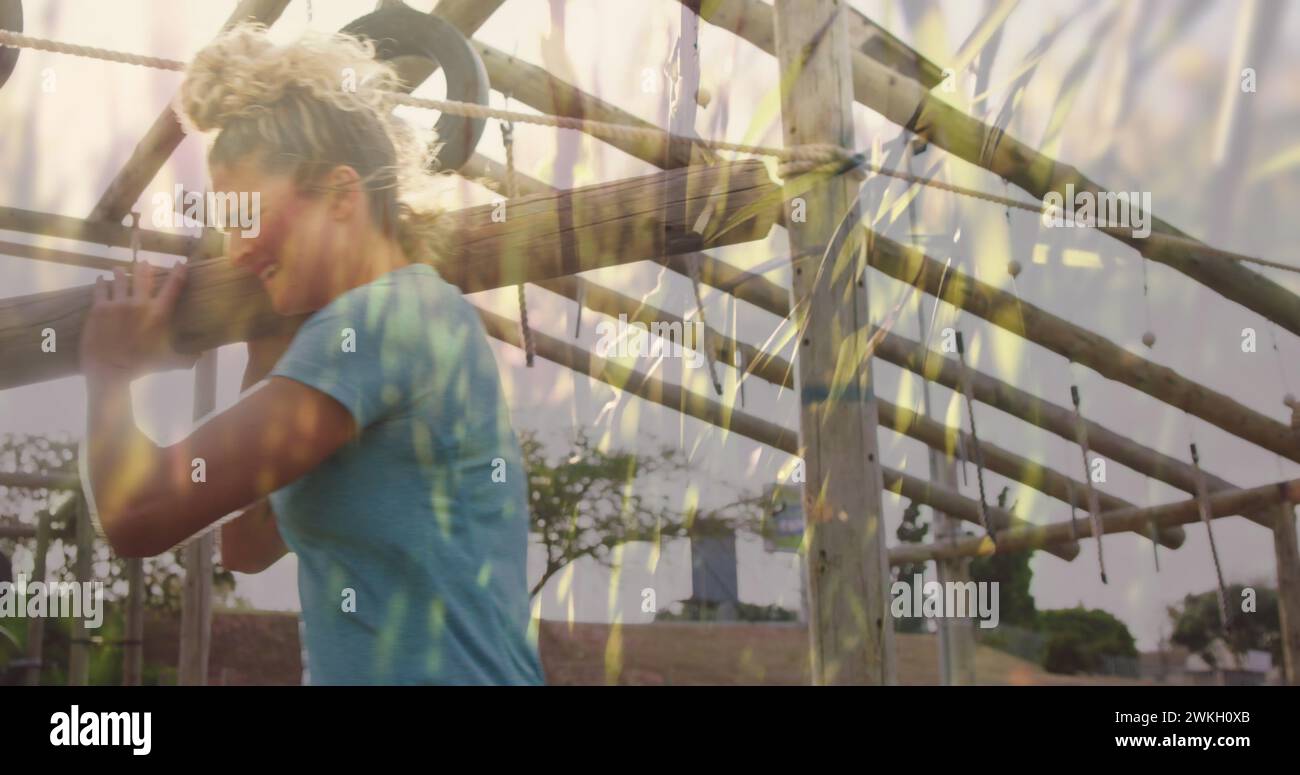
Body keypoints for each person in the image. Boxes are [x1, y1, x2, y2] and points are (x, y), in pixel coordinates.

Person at [76, 25, 543, 685]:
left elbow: (140, 515)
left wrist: (112, 373)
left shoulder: (383, 319)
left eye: (248, 216)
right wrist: (268, 346)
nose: (235, 249)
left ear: (342, 194)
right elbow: (247, 546)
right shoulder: (397, 323)